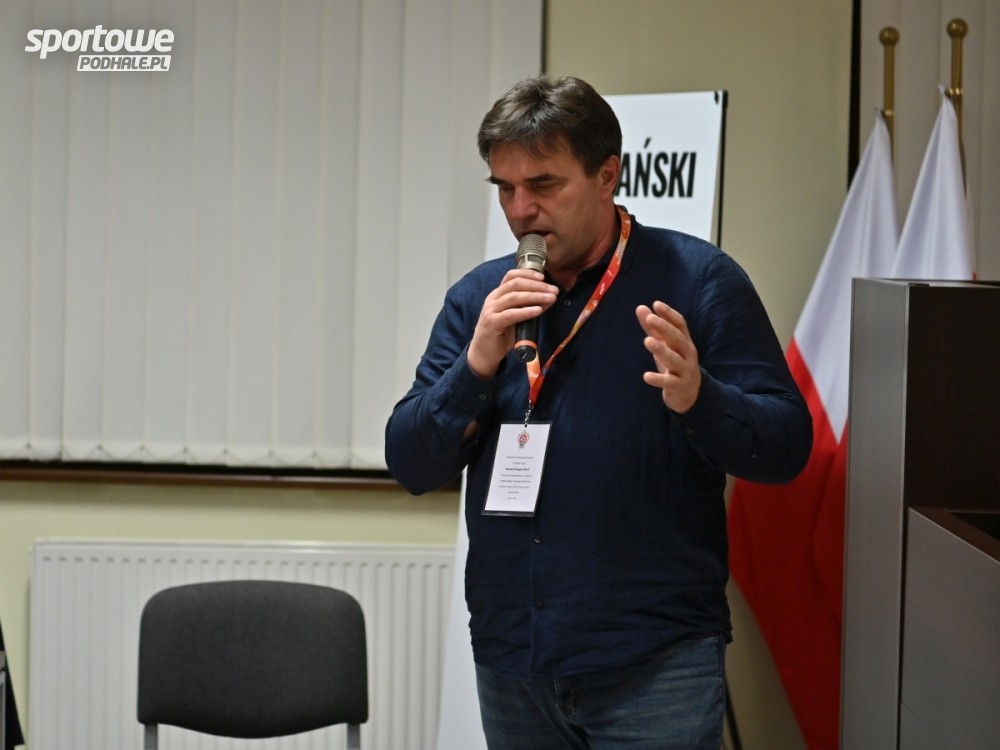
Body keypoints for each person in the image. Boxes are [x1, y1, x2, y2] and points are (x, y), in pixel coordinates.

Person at [385, 74, 811, 750]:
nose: (520, 209)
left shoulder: (697, 281)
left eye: (543, 185)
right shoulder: (480, 300)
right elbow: (410, 462)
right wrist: (474, 368)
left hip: (654, 662)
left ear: (608, 174)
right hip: (514, 657)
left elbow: (787, 445)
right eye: (504, 188)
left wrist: (700, 398)